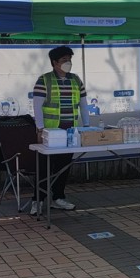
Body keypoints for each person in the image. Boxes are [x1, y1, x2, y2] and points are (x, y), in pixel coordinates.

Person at [31, 46, 91, 215]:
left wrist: (87, 127)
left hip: (70, 131)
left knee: (64, 166)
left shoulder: (76, 80)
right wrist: (40, 129)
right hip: (49, 132)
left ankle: (58, 198)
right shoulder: (44, 80)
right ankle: (38, 200)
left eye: (69, 60)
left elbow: (83, 105)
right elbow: (37, 106)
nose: (68, 63)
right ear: (54, 62)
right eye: (64, 60)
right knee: (44, 167)